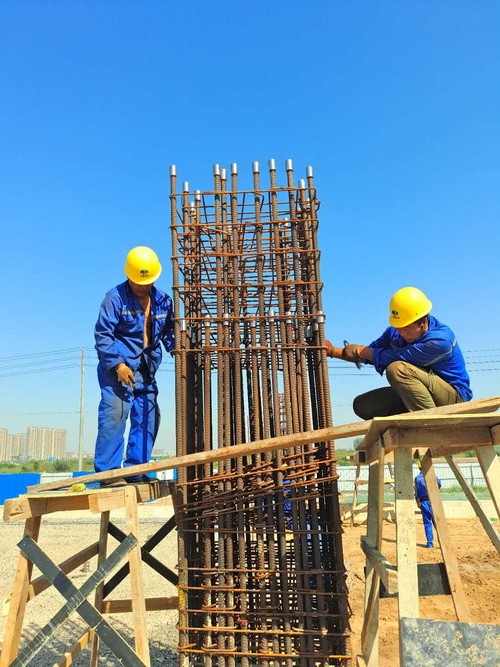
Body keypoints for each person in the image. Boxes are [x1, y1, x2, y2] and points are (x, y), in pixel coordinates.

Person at [325, 287, 472, 419]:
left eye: (407, 328)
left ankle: (431, 427)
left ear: (424, 322)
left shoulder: (440, 340)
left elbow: (394, 357)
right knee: (363, 405)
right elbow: (368, 355)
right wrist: (333, 351)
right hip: (419, 395)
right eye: (398, 327)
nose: (401, 332)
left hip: (453, 397)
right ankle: (411, 422)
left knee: (398, 369)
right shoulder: (394, 333)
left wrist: (362, 350)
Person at [94, 246, 174, 486]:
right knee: (115, 416)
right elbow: (103, 335)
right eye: (139, 281)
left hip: (146, 370)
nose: (143, 286)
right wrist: (118, 365)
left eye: (148, 281)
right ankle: (108, 474)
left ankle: (136, 471)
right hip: (118, 370)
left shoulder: (163, 301)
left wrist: (179, 350)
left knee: (148, 417)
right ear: (129, 275)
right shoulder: (115, 298)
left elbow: (169, 332)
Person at [414, 460, 441, 548]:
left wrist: (418, 501)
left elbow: (417, 492)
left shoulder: (417, 478)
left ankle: (430, 543)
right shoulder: (433, 476)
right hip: (434, 500)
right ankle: (442, 542)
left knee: (427, 523)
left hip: (424, 502)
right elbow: (439, 484)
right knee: (438, 522)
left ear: (419, 467)